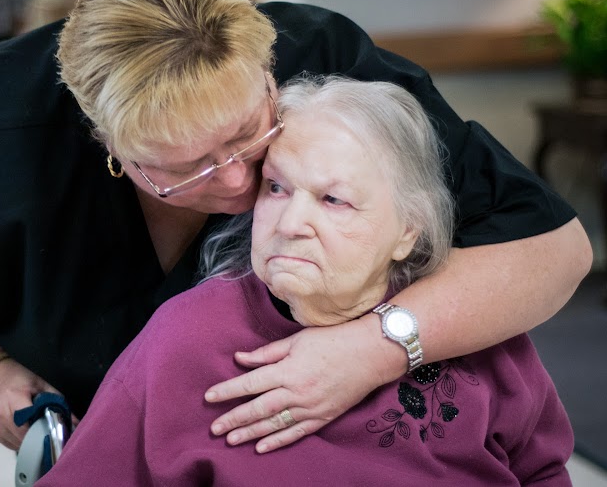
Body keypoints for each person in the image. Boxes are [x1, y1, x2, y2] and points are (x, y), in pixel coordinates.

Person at [0, 0, 590, 453]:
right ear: (106, 143)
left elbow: (555, 250)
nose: (239, 186)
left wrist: (372, 349)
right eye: (185, 171)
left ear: (272, 67)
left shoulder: (330, 67)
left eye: (252, 134)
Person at [34, 76, 574, 486]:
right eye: (276, 189)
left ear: (408, 231)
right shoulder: (183, 342)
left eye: (334, 200)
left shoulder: (469, 326)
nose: (290, 225)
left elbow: (544, 470)